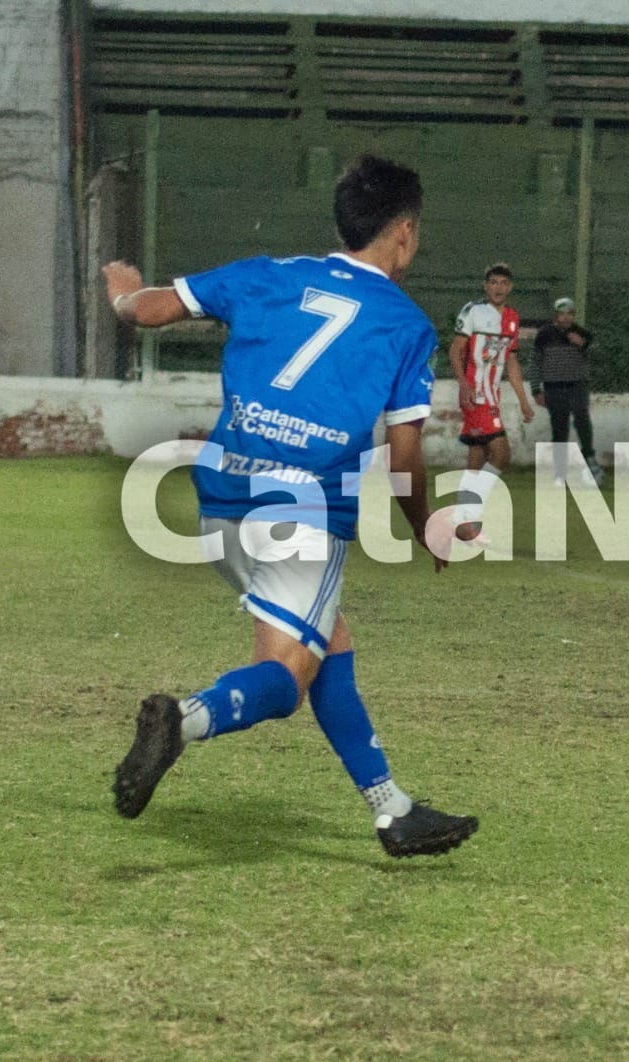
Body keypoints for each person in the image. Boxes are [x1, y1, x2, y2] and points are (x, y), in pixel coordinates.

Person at [101, 154, 478, 858]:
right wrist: (426, 529)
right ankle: (182, 720)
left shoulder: (269, 275)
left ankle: (392, 808)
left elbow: (149, 310)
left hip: (220, 497)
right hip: (302, 513)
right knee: (287, 679)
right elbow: (402, 458)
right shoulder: (406, 327)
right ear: (403, 232)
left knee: (331, 641)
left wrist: (123, 293)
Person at [449, 263, 534, 541]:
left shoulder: (512, 317)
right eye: (493, 282)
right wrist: (463, 384)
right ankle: (468, 515)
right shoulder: (473, 311)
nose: (499, 288)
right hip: (475, 394)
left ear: (510, 287)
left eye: (504, 283)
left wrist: (523, 399)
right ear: (485, 286)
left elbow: (510, 360)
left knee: (477, 457)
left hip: (492, 395)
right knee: (501, 453)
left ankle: (463, 524)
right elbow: (456, 349)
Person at [531, 296, 604, 487]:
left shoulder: (582, 333)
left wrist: (583, 345)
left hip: (577, 385)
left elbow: (599, 354)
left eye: (570, 314)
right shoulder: (545, 334)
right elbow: (536, 362)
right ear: (556, 315)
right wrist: (535, 388)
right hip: (554, 386)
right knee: (559, 427)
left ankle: (590, 462)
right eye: (562, 314)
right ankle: (560, 473)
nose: (566, 318)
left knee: (582, 421)